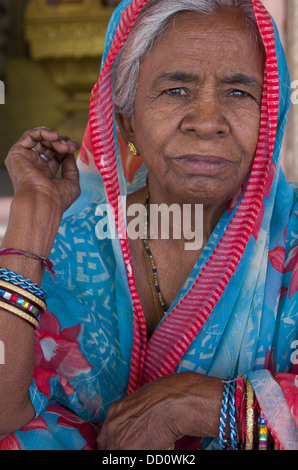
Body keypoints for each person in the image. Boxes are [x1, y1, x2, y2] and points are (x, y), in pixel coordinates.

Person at [0, 0, 297, 451]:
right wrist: (31, 219)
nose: (207, 122)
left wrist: (202, 405)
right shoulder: (70, 243)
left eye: (239, 93)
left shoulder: (290, 238)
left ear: (269, 117)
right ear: (127, 120)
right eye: (176, 89)